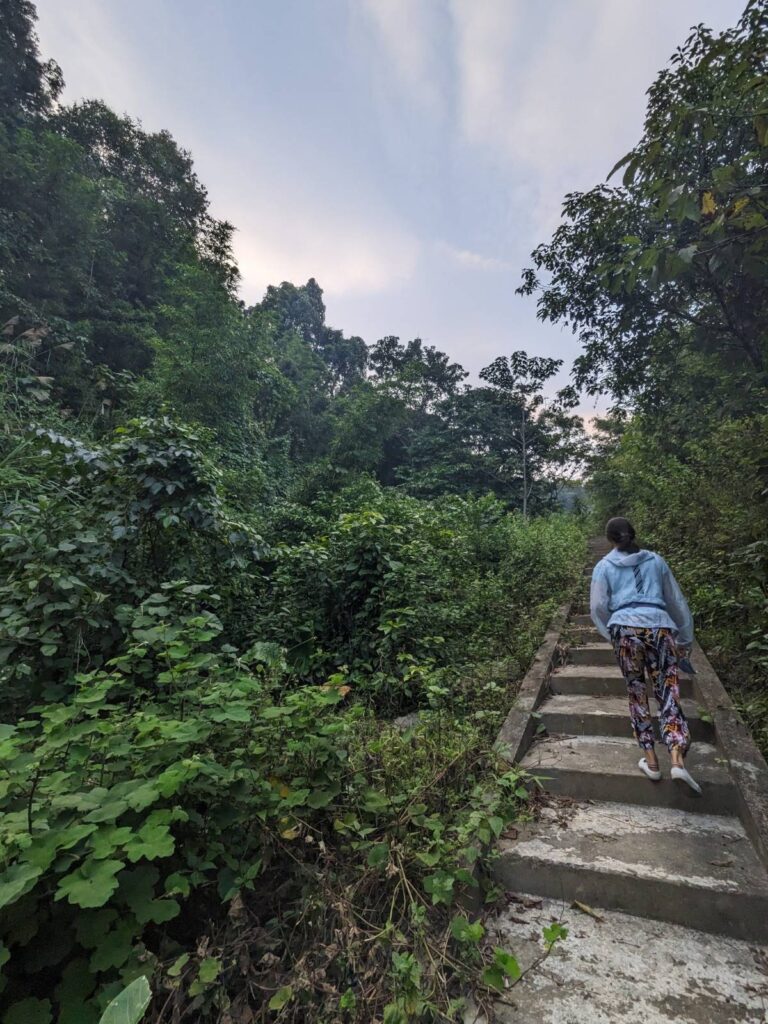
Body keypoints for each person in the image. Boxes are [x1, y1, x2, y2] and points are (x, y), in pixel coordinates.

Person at [590, 517, 701, 794]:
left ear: (610, 539)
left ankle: (651, 762)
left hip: (624, 629)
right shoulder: (656, 561)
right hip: (660, 627)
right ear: (633, 534)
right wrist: (684, 639)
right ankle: (676, 760)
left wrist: (613, 633)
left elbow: (598, 607)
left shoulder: (604, 566)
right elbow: (676, 601)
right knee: (668, 690)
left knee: (636, 691)